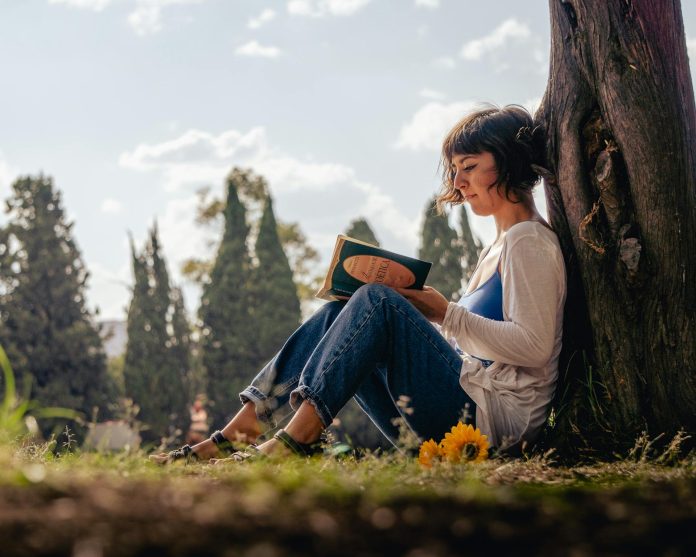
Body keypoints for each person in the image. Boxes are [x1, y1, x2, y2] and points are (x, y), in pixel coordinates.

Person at [151, 104, 566, 464]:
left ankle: (294, 442)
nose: (458, 183)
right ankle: (237, 433)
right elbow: (474, 347)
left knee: (378, 304)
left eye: (470, 168)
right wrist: (436, 320)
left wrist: (444, 313)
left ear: (508, 162)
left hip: (494, 424)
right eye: (456, 171)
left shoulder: (529, 241)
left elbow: (534, 347)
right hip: (465, 410)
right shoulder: (498, 246)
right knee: (339, 311)